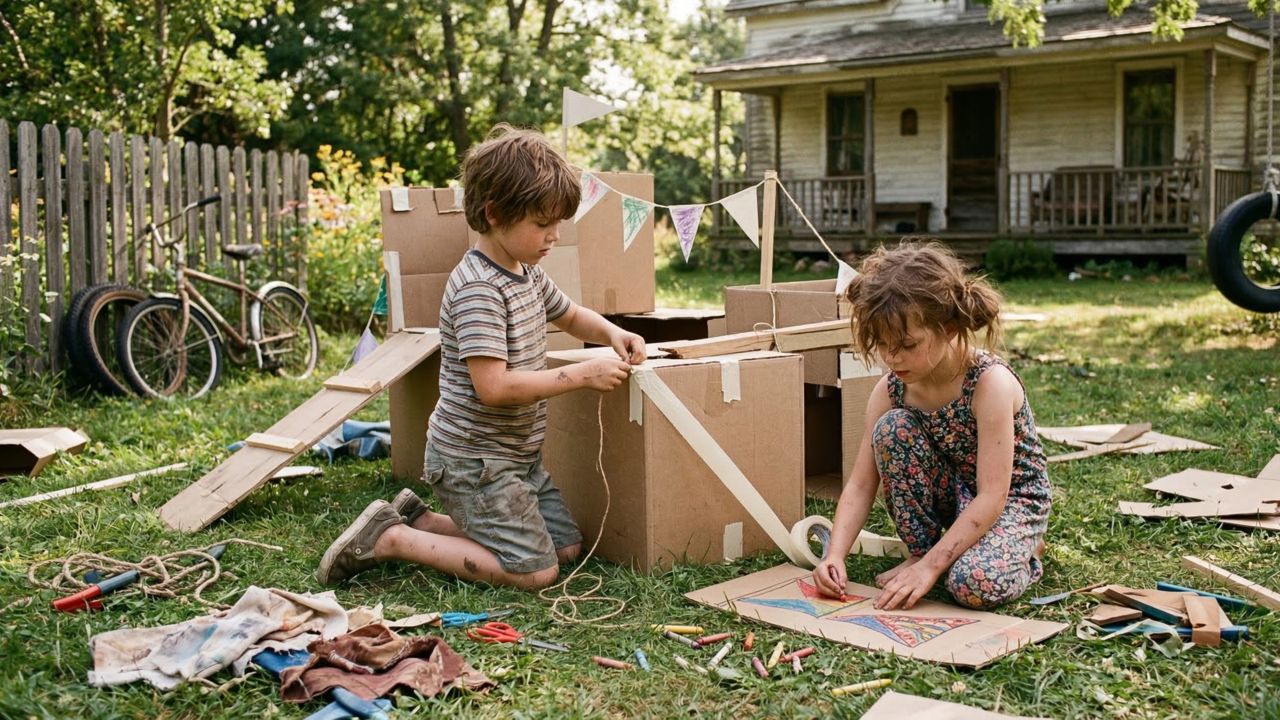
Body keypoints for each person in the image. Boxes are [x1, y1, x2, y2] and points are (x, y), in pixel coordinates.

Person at [318, 124, 645, 590]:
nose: (553, 236)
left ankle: (423, 522)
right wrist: (580, 373)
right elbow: (493, 388)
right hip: (473, 462)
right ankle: (392, 539)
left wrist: (613, 332)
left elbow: (571, 315)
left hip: (515, 458)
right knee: (537, 570)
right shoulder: (479, 289)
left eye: (557, 223)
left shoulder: (526, 270)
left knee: (567, 549)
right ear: (494, 214)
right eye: (542, 223)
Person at [813, 242, 1051, 611]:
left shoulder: (989, 385)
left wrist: (932, 569)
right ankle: (923, 552)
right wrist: (834, 554)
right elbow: (861, 483)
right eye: (883, 345)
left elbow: (992, 496)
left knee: (974, 585)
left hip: (1008, 501)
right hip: (952, 498)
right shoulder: (892, 389)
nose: (892, 357)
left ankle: (1027, 551)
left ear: (950, 327)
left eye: (907, 345)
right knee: (892, 429)